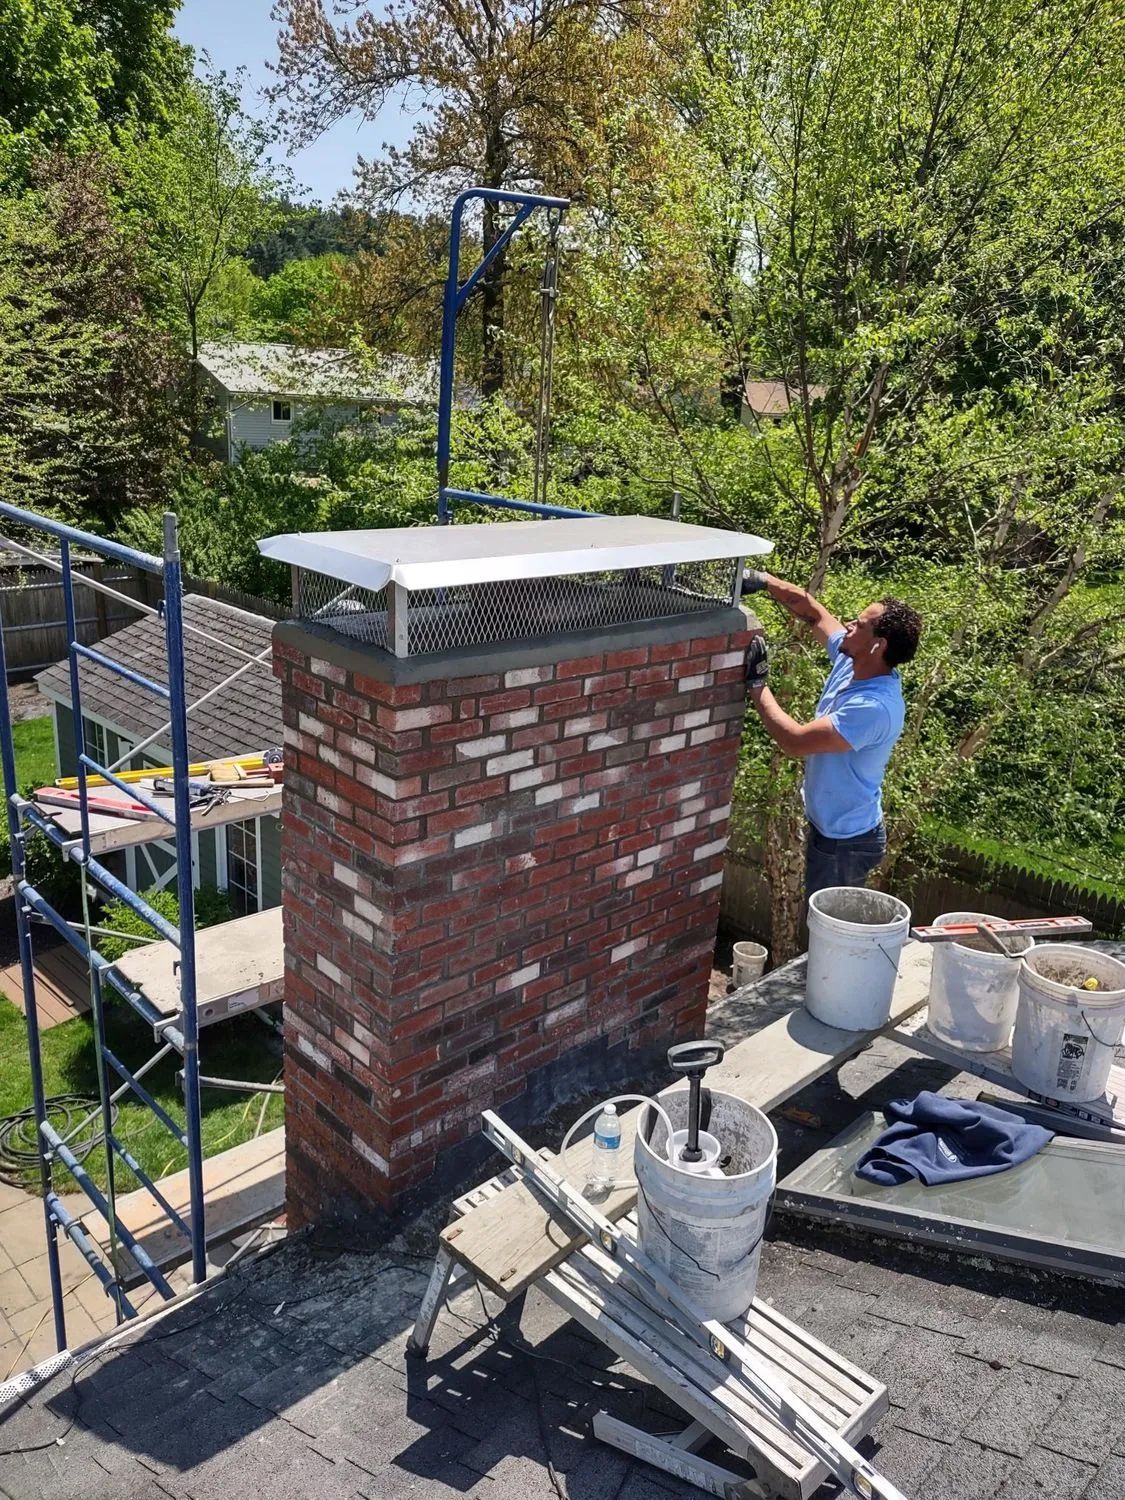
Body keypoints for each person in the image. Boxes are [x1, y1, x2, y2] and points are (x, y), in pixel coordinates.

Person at [742, 572, 923, 897]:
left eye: (860, 625)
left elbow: (794, 741)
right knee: (824, 917)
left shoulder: (873, 707)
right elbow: (814, 613)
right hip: (836, 834)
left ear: (878, 645)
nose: (849, 626)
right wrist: (762, 580)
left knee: (827, 923)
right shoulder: (852, 661)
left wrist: (758, 685)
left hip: (846, 844)